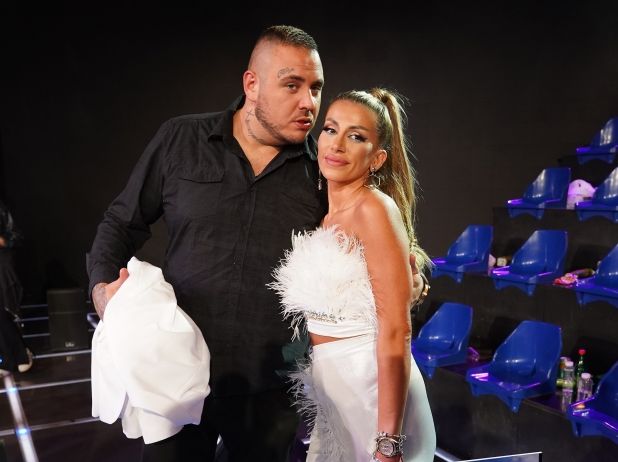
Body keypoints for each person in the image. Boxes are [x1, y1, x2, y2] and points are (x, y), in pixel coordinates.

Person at [87, 25, 426, 462]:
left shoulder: (323, 170)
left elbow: (374, 237)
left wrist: (412, 279)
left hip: (270, 390)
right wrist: (101, 292)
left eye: (316, 88)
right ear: (252, 84)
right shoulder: (181, 139)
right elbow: (120, 223)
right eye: (292, 85)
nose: (309, 103)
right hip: (176, 376)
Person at [270, 88, 436, 461]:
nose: (337, 144)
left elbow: (396, 330)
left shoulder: (373, 209)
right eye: (331, 129)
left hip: (375, 393)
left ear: (377, 158)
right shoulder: (327, 216)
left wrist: (388, 442)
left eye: (356, 136)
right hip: (337, 397)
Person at [0, 200, 33, 374]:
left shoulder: (2, 210)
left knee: (3, 312)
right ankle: (7, 358)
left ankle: (21, 354)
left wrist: (3, 240)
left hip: (2, 264)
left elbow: (14, 236)